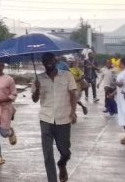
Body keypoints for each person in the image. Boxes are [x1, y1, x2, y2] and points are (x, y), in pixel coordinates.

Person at [32, 52, 78, 182]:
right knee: (47, 154)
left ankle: (62, 164)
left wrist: (73, 112)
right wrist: (37, 89)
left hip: (64, 118)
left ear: (55, 60)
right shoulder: (39, 79)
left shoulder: (67, 76)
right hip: (46, 119)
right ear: (43, 63)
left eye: (50, 59)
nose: (48, 62)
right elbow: (35, 99)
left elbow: (73, 95)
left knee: (65, 150)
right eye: (45, 60)